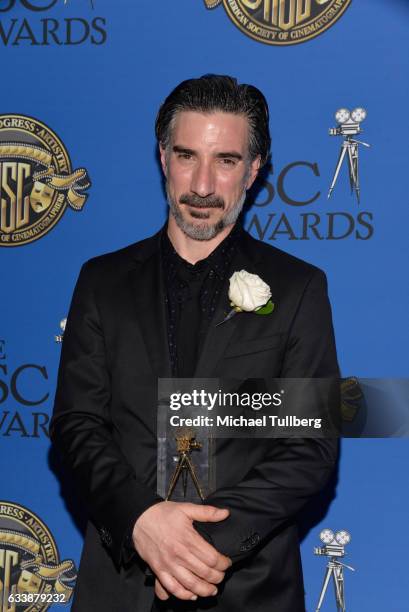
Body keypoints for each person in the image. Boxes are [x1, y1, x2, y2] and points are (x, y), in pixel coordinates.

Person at [51, 74, 339, 612]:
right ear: (163, 157)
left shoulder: (299, 289)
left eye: (226, 161)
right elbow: (77, 424)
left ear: (254, 171)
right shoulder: (102, 281)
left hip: (248, 590)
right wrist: (142, 522)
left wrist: (195, 548)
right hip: (121, 588)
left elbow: (308, 449)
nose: (202, 185)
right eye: (187, 156)